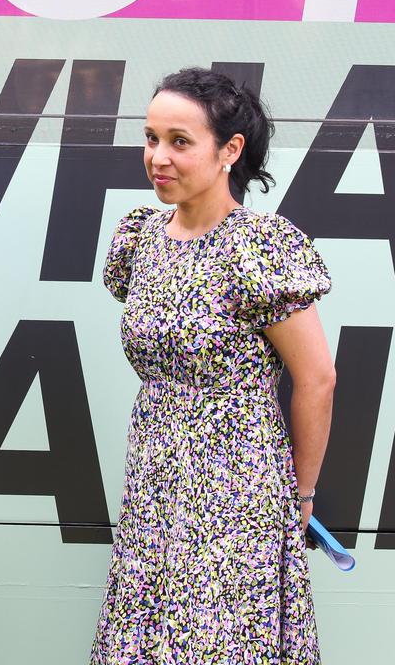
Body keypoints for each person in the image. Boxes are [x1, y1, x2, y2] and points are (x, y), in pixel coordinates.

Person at [91, 67, 334, 663]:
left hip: (237, 486)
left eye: (180, 141)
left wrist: (299, 496)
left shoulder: (262, 247)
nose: (158, 158)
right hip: (154, 478)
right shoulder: (139, 238)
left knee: (219, 642)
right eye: (151, 139)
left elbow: (318, 378)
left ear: (230, 151)